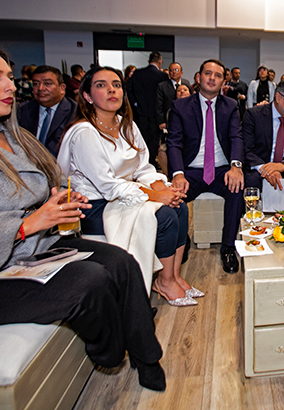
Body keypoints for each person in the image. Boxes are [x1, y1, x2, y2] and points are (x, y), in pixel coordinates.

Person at [0, 43, 166, 391]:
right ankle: (111, 352)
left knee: (122, 262)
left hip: (26, 251)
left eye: (9, 77)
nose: (11, 86)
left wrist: (55, 202)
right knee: (90, 282)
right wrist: (27, 224)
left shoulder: (12, 136)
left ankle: (148, 358)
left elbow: (31, 194)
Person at [57, 66, 199, 307]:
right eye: (101, 85)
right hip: (93, 205)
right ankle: (164, 281)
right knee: (164, 216)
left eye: (116, 85)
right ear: (88, 96)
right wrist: (155, 196)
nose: (111, 90)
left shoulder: (126, 125)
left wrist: (164, 190)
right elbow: (108, 186)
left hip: (124, 194)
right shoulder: (84, 132)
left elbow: (143, 167)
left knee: (180, 206)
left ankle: (173, 276)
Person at [167, 59, 245, 274]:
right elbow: (174, 142)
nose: (212, 78)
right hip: (191, 170)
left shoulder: (231, 106)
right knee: (173, 196)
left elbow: (236, 137)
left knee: (237, 189)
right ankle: (181, 242)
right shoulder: (180, 106)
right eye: (208, 73)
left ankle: (228, 247)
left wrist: (236, 166)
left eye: (218, 75)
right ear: (198, 77)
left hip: (221, 169)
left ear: (223, 81)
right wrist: (178, 173)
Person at [242, 78, 284, 197]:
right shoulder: (254, 115)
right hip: (260, 164)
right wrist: (267, 170)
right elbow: (247, 150)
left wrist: (283, 165)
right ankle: (253, 209)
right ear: (278, 97)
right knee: (251, 180)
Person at [17, 65, 78, 156]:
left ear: (62, 88)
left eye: (47, 84)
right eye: (36, 84)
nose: (40, 88)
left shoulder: (76, 113)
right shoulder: (21, 110)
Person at [126, 52, 169, 167]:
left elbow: (128, 89)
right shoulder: (162, 76)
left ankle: (141, 160)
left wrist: (135, 103)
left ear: (148, 61)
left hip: (140, 110)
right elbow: (164, 96)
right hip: (156, 112)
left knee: (142, 136)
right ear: (160, 62)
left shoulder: (138, 73)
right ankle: (151, 161)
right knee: (154, 138)